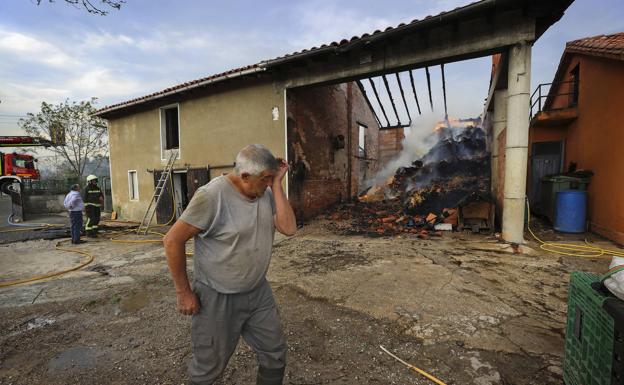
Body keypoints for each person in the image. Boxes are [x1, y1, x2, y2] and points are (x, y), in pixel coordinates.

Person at [164, 144, 297, 385]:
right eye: (265, 179)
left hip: (258, 293)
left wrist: (277, 183)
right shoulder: (211, 196)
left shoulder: (266, 192)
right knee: (208, 371)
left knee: (274, 355)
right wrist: (183, 292)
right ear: (245, 176)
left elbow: (289, 228)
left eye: (270, 179)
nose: (268, 184)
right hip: (217, 297)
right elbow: (172, 240)